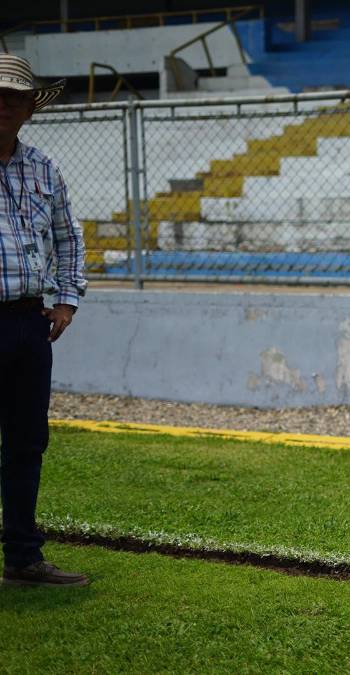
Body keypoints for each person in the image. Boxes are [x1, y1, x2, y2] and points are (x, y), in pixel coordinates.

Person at [0, 54, 89, 587]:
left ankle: (23, 559)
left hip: (31, 323)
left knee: (28, 442)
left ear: (31, 107)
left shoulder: (43, 167)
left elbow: (69, 238)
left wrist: (67, 300)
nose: (5, 104)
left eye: (15, 96)